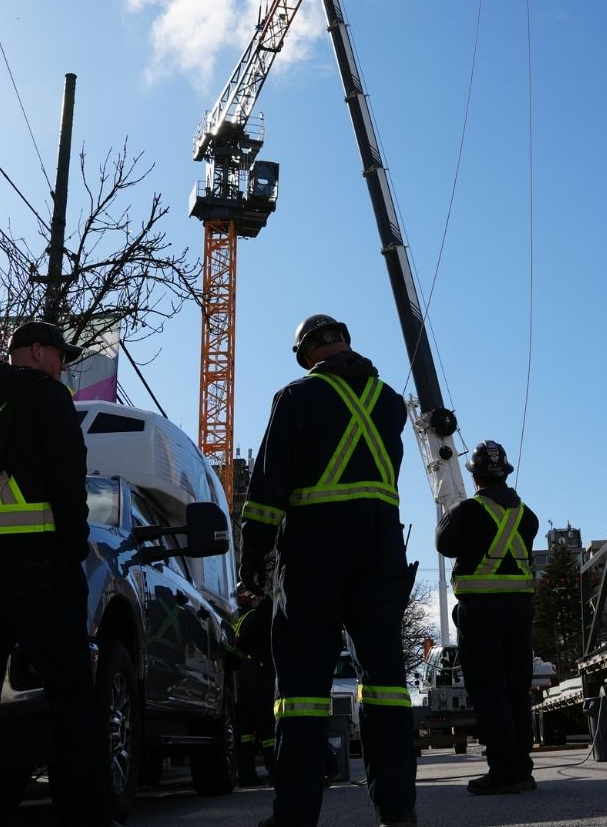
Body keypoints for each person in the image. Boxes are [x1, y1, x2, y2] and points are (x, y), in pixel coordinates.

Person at [239, 314, 417, 827]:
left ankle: (295, 814)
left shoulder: (296, 397)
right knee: (386, 683)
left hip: (317, 549)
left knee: (301, 690)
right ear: (346, 343)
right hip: (380, 548)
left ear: (305, 354)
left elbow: (269, 486)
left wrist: (254, 556)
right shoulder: (389, 402)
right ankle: (398, 809)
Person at [0, 321, 111, 826]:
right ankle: (86, 813)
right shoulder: (47, 398)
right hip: (39, 563)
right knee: (71, 694)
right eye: (59, 356)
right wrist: (73, 549)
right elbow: (66, 475)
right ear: (36, 352)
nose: (64, 367)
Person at [436, 440, 539, 795]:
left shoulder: (466, 512)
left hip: (480, 613)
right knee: (516, 690)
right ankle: (522, 769)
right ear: (504, 474)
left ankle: (504, 770)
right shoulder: (528, 516)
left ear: (475, 476)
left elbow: (444, 545)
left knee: (489, 690)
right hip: (519, 612)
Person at [233, 585, 276, 785]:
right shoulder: (255, 617)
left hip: (243, 678)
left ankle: (246, 776)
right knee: (267, 729)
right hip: (258, 675)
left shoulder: (240, 618)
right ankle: (275, 772)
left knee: (245, 733)